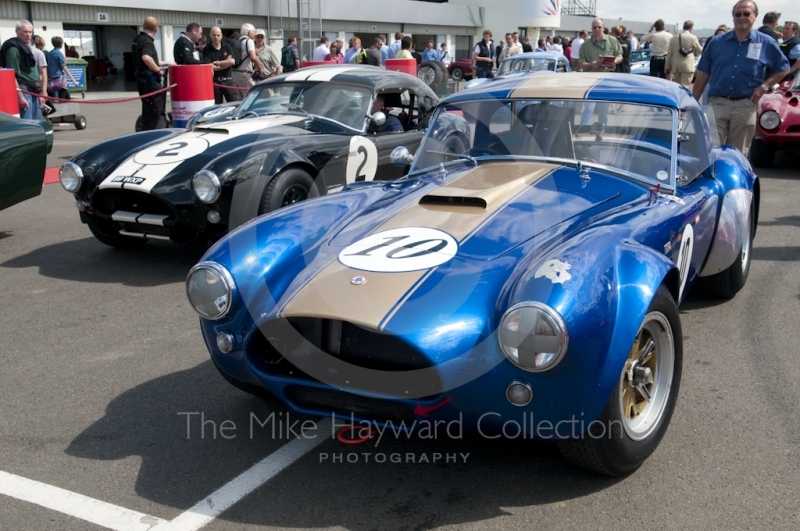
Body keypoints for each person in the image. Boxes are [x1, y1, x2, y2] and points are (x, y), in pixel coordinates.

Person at [693, 0, 789, 155]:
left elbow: (783, 68)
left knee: (737, 155)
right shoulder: (717, 42)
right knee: (709, 153)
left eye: (746, 14)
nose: (742, 17)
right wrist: (692, 102)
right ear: (733, 17)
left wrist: (764, 87)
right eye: (738, 14)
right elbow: (703, 73)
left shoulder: (766, 42)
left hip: (745, 105)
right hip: (717, 104)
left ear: (755, 16)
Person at [1, 20, 44, 119]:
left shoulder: (24, 47)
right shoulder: (13, 49)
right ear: (17, 31)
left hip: (34, 88)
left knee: (37, 123)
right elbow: (12, 75)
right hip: (24, 89)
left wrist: (40, 93)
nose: (28, 35)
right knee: (28, 123)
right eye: (25, 32)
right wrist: (20, 97)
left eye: (30, 32)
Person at [132, 16, 168, 130]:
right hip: (150, 81)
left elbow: (151, 60)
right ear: (156, 29)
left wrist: (167, 63)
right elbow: (146, 58)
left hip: (141, 80)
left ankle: (146, 131)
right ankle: (153, 135)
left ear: (144, 26)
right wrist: (157, 70)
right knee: (155, 111)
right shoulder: (147, 42)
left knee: (147, 109)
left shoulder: (137, 39)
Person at [203, 25, 239, 104]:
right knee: (217, 107)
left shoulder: (227, 47)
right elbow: (208, 67)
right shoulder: (207, 49)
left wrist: (217, 63)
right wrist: (226, 63)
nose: (216, 37)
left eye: (218, 35)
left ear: (221, 36)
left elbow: (232, 62)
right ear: (210, 35)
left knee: (235, 105)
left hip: (228, 80)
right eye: (214, 35)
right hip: (215, 83)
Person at [665, 20, 703, 89]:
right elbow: (700, 51)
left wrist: (667, 66)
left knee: (678, 87)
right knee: (685, 87)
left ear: (683, 27)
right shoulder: (693, 38)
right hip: (687, 66)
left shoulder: (673, 38)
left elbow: (669, 54)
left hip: (676, 67)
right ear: (691, 28)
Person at [233, 24, 262, 88]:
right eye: (253, 32)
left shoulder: (237, 42)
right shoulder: (249, 41)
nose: (254, 34)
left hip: (234, 74)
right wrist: (260, 68)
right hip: (245, 74)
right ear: (249, 32)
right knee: (250, 96)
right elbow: (253, 57)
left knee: (239, 97)